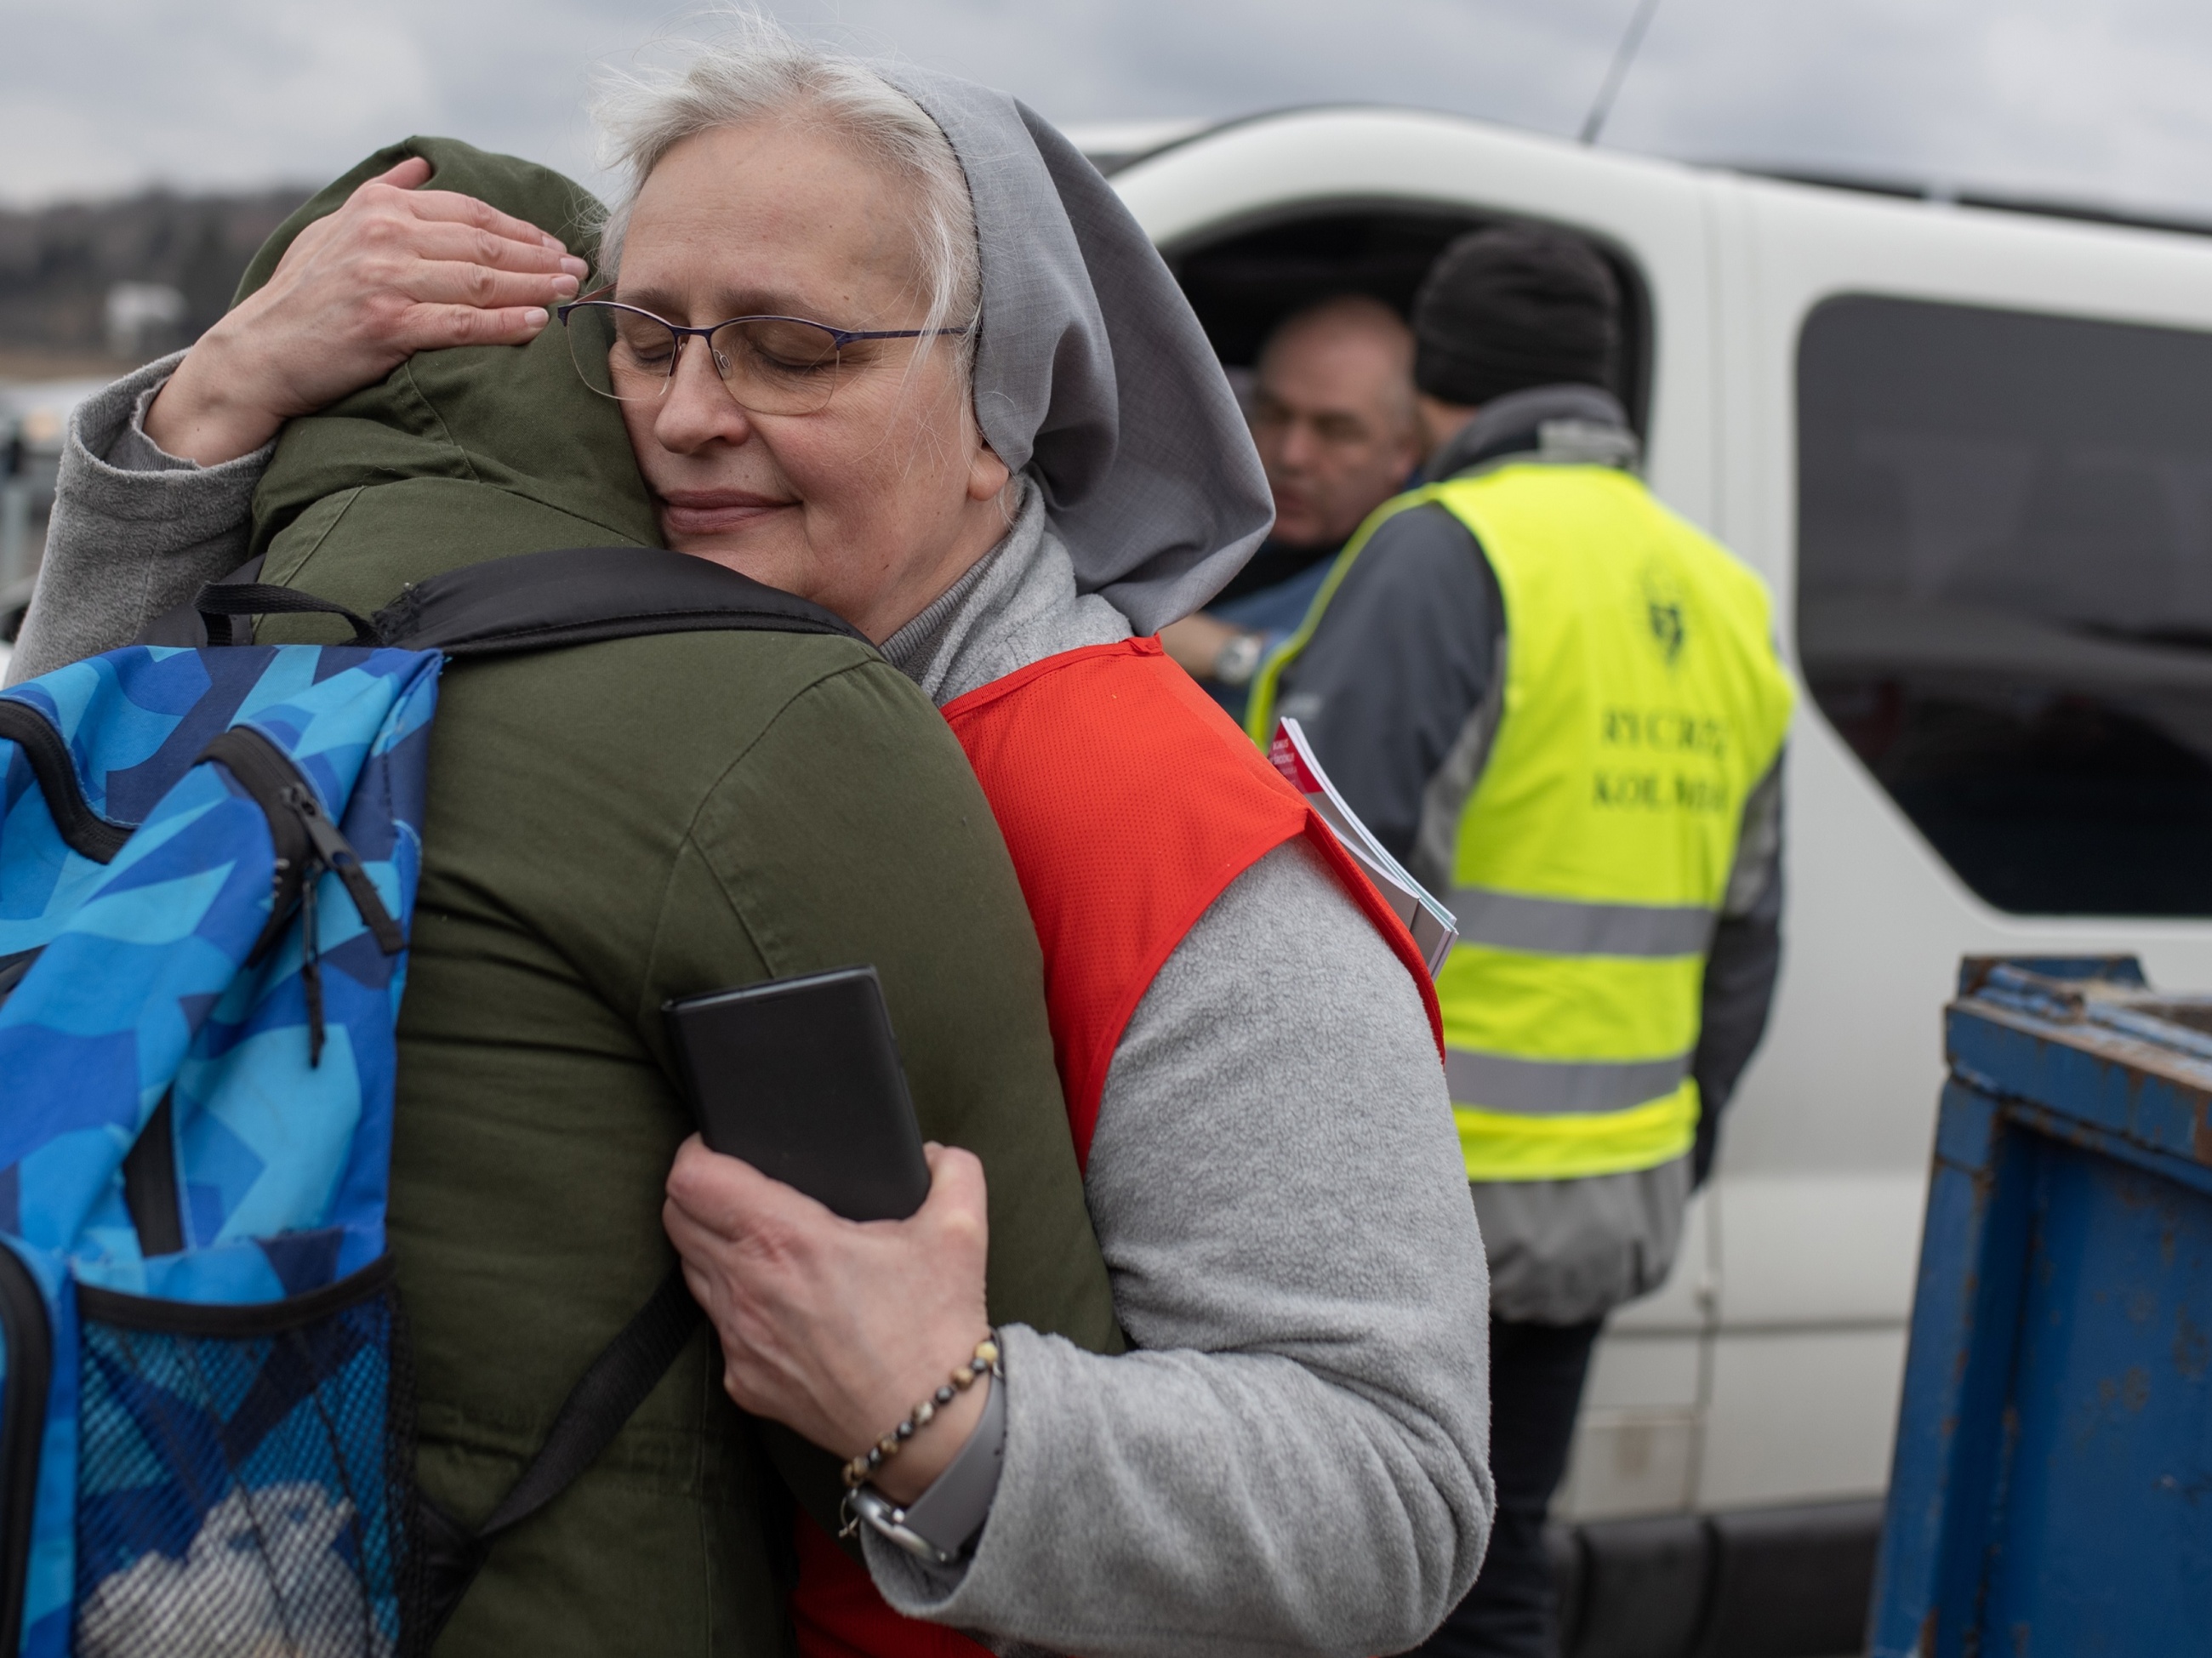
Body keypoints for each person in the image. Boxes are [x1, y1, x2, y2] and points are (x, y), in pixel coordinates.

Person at [14, 21, 1494, 1658]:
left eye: (794, 349)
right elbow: (87, 847)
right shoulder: (617, 697)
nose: (687, 416)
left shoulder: (1165, 821)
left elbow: (1396, 1493)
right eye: (644, 339)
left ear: (1009, 400)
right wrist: (214, 398)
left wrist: (943, 1420)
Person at [1245, 225, 1795, 1658]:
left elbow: (1325, 880)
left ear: (1443, 385)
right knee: (1496, 1576)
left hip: (1413, 1196)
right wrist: (1672, 1147)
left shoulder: (1446, 549)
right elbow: (1746, 944)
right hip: (1600, 1197)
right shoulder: (1724, 595)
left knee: (1336, 1578)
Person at [1159, 294, 1422, 720]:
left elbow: (1387, 703)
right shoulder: (1182, 504)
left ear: (1404, 451)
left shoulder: (1427, 563)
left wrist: (1231, 654)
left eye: (1336, 431)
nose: (1292, 455)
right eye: (1274, 414)